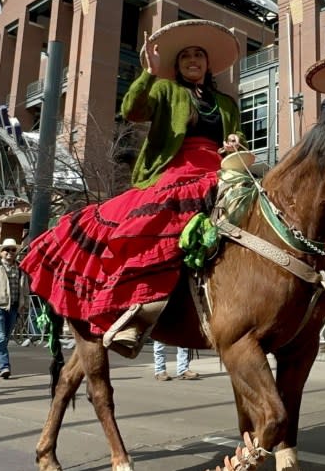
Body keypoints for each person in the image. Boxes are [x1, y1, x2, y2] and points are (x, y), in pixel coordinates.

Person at [21, 19, 245, 359]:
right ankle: (136, 312)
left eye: (199, 54)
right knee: (158, 227)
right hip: (176, 171)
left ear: (208, 62)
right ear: (178, 64)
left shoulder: (226, 103)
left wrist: (234, 142)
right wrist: (149, 74)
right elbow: (133, 110)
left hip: (219, 170)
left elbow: (237, 138)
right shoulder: (165, 89)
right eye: (186, 56)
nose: (193, 60)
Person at [0, 238, 29, 379]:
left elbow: (25, 289)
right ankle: (4, 367)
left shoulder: (21, 268)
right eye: (6, 250)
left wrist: (24, 304)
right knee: (1, 337)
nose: (10, 252)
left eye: (13, 250)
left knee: (2, 339)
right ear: (0, 252)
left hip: (14, 307)